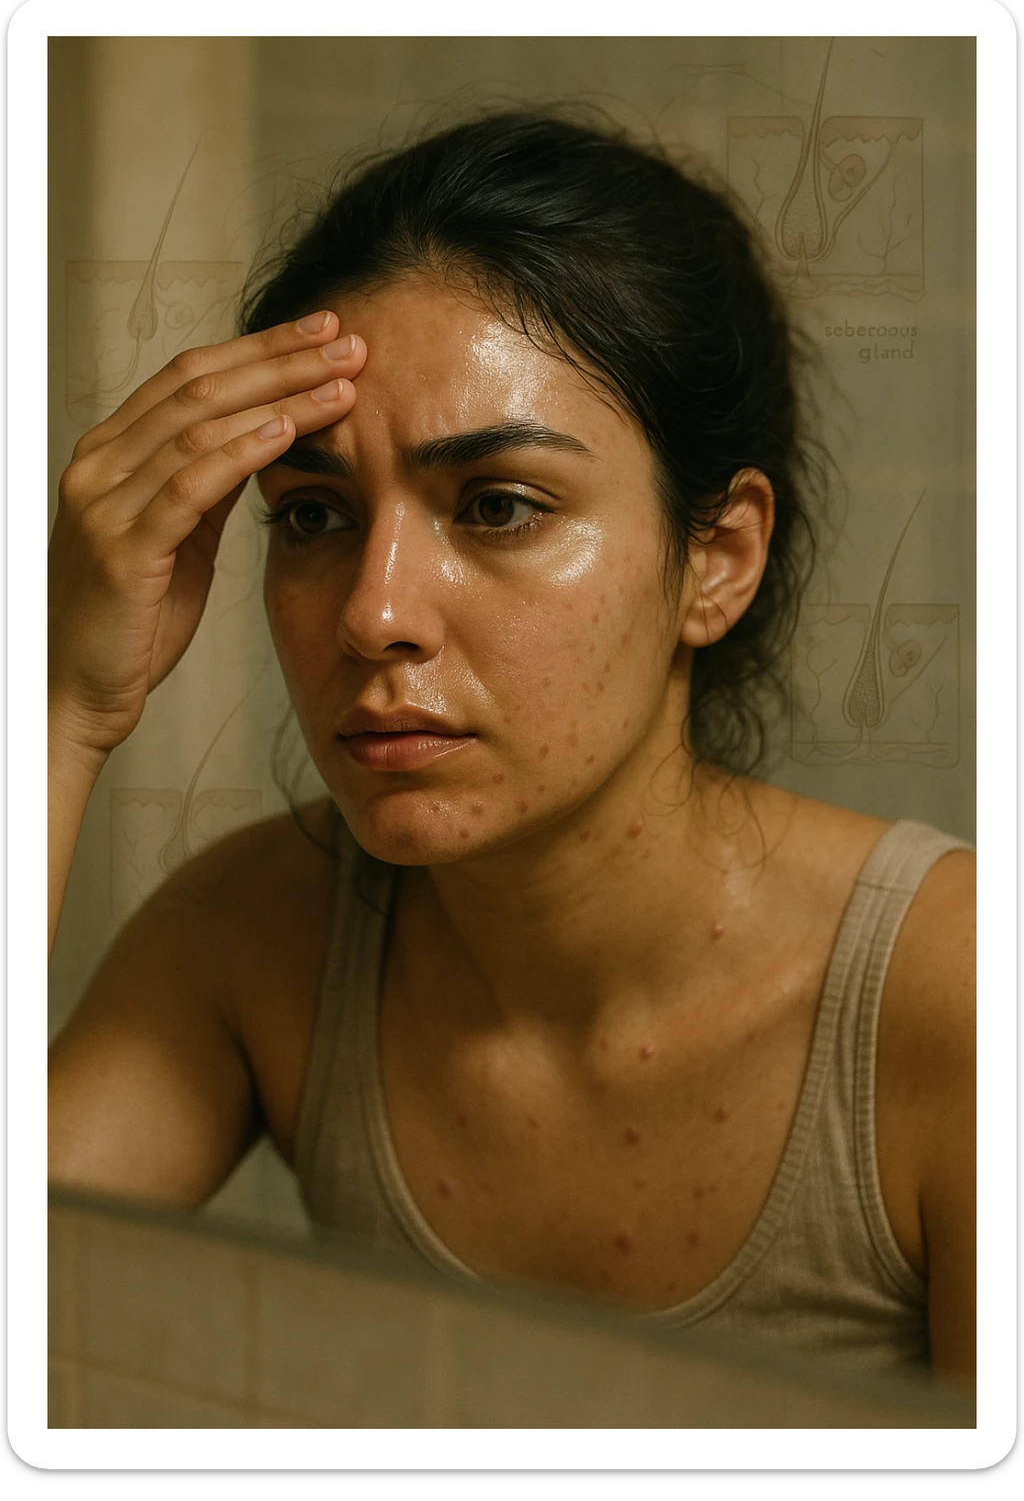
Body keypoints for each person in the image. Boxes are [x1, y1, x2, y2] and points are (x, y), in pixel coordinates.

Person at [48, 110, 975, 1385]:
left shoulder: (961, 1001)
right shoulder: (259, 936)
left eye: (498, 507)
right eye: (312, 514)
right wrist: (61, 710)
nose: (373, 612)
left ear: (716, 558)